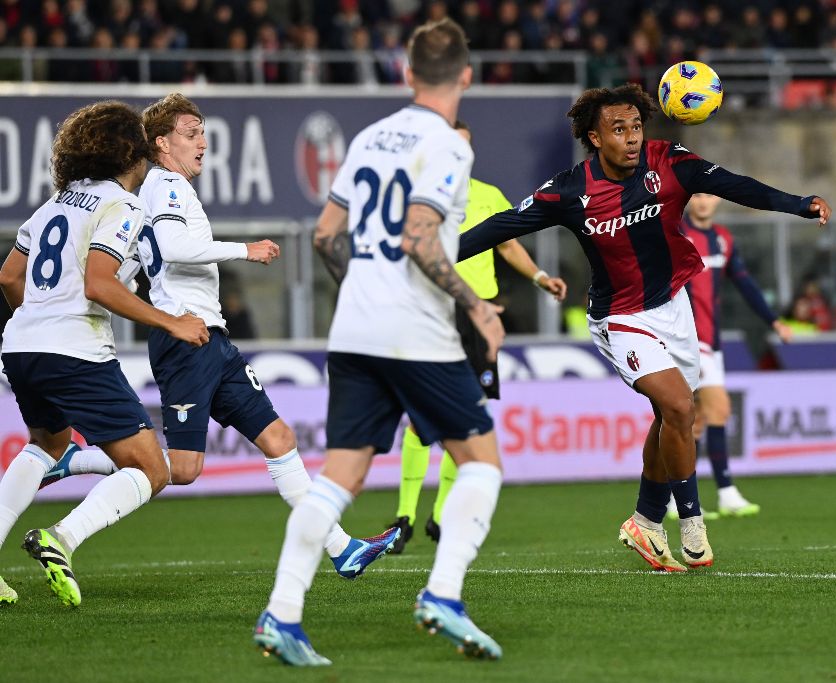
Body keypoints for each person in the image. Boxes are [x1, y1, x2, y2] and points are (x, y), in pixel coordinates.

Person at [459, 83, 831, 573]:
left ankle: (646, 520)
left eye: (636, 126)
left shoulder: (670, 162)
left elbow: (735, 184)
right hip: (619, 317)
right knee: (679, 406)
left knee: (671, 416)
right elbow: (502, 226)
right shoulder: (570, 189)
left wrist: (798, 203)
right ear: (594, 138)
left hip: (673, 307)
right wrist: (433, 256)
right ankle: (692, 522)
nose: (632, 138)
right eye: (619, 129)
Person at [40, 93, 399, 582]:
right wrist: (245, 250)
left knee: (279, 438)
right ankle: (73, 480)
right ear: (161, 143)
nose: (203, 143)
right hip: (186, 340)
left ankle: (341, 549)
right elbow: (172, 246)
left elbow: (140, 260)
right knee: (181, 470)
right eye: (191, 133)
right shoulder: (166, 184)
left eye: (203, 132)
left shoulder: (154, 190)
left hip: (212, 339)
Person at [255, 18, 506, 665]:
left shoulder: (369, 137)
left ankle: (283, 613)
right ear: (467, 77)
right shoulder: (448, 145)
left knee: (341, 474)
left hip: (355, 326)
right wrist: (477, 305)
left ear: (407, 71)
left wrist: (362, 287)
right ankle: (443, 594)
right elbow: (421, 237)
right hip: (414, 330)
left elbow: (323, 234)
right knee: (481, 460)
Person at [0, 101, 209, 608]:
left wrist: (41, 320)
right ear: (131, 154)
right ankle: (61, 539)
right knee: (152, 470)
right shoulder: (122, 204)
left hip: (21, 345)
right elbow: (98, 283)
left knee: (46, 445)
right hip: (76, 351)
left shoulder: (54, 204)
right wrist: (171, 321)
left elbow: (9, 277)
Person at [390, 118, 568, 554]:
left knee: (470, 416)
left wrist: (540, 276)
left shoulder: (488, 195)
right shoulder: (418, 199)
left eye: (465, 146)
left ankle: (440, 515)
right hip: (434, 311)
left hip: (479, 315)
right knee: (421, 416)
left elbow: (508, 244)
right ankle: (405, 516)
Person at [671, 193, 793, 520]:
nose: (702, 202)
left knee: (695, 422)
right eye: (695, 195)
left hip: (712, 341)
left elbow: (745, 283)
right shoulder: (675, 234)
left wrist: (773, 320)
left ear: (718, 201)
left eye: (708, 195)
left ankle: (674, 497)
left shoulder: (723, 240)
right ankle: (724, 491)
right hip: (685, 341)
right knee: (716, 410)